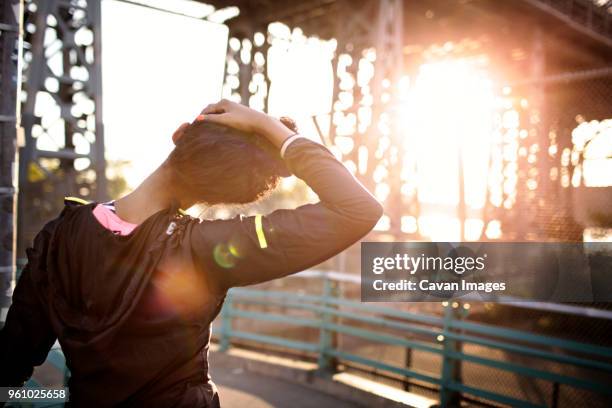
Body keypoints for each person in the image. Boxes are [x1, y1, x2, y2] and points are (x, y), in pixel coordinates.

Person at [0, 99, 383, 407]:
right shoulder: (206, 248)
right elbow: (357, 209)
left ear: (179, 134)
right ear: (227, 196)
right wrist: (269, 127)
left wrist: (53, 398)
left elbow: (10, 367)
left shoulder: (59, 235)